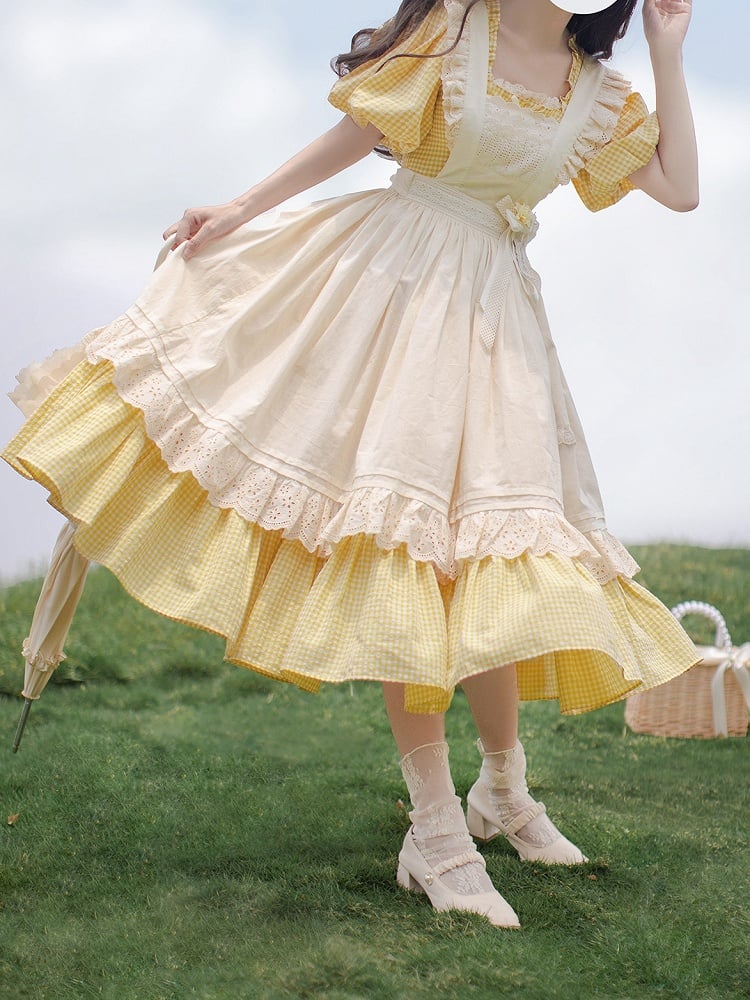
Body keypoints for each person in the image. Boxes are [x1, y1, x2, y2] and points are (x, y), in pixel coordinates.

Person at [3, 0, 699, 929]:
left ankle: (502, 790)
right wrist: (240, 207)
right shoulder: (456, 29)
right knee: (403, 555)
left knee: (487, 558)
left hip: (495, 322)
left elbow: (680, 187)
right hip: (389, 292)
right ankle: (435, 832)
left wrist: (666, 47)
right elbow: (359, 134)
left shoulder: (595, 93)